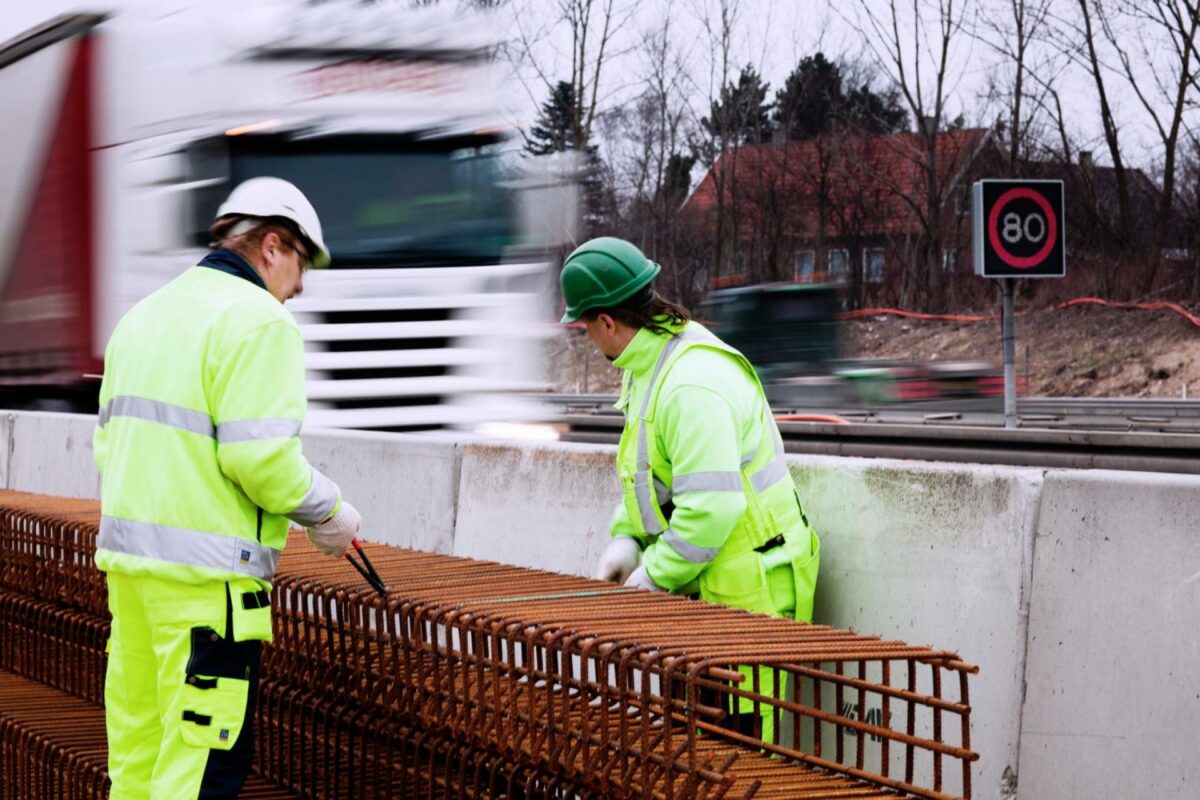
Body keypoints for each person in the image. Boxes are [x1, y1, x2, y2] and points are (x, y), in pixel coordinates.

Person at [93, 177, 362, 799]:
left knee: (136, 764)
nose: (298, 288)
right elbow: (260, 459)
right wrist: (328, 512)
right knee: (196, 773)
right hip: (206, 593)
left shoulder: (144, 315)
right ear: (272, 246)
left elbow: (108, 445)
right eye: (301, 265)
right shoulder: (258, 321)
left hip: (132, 581)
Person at [563, 236, 820, 742]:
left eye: (586, 327)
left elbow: (712, 508)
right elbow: (650, 477)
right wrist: (627, 540)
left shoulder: (689, 384)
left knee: (738, 754)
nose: (590, 340)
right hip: (710, 585)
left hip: (750, 592)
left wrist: (652, 576)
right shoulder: (652, 366)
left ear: (608, 322)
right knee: (695, 751)